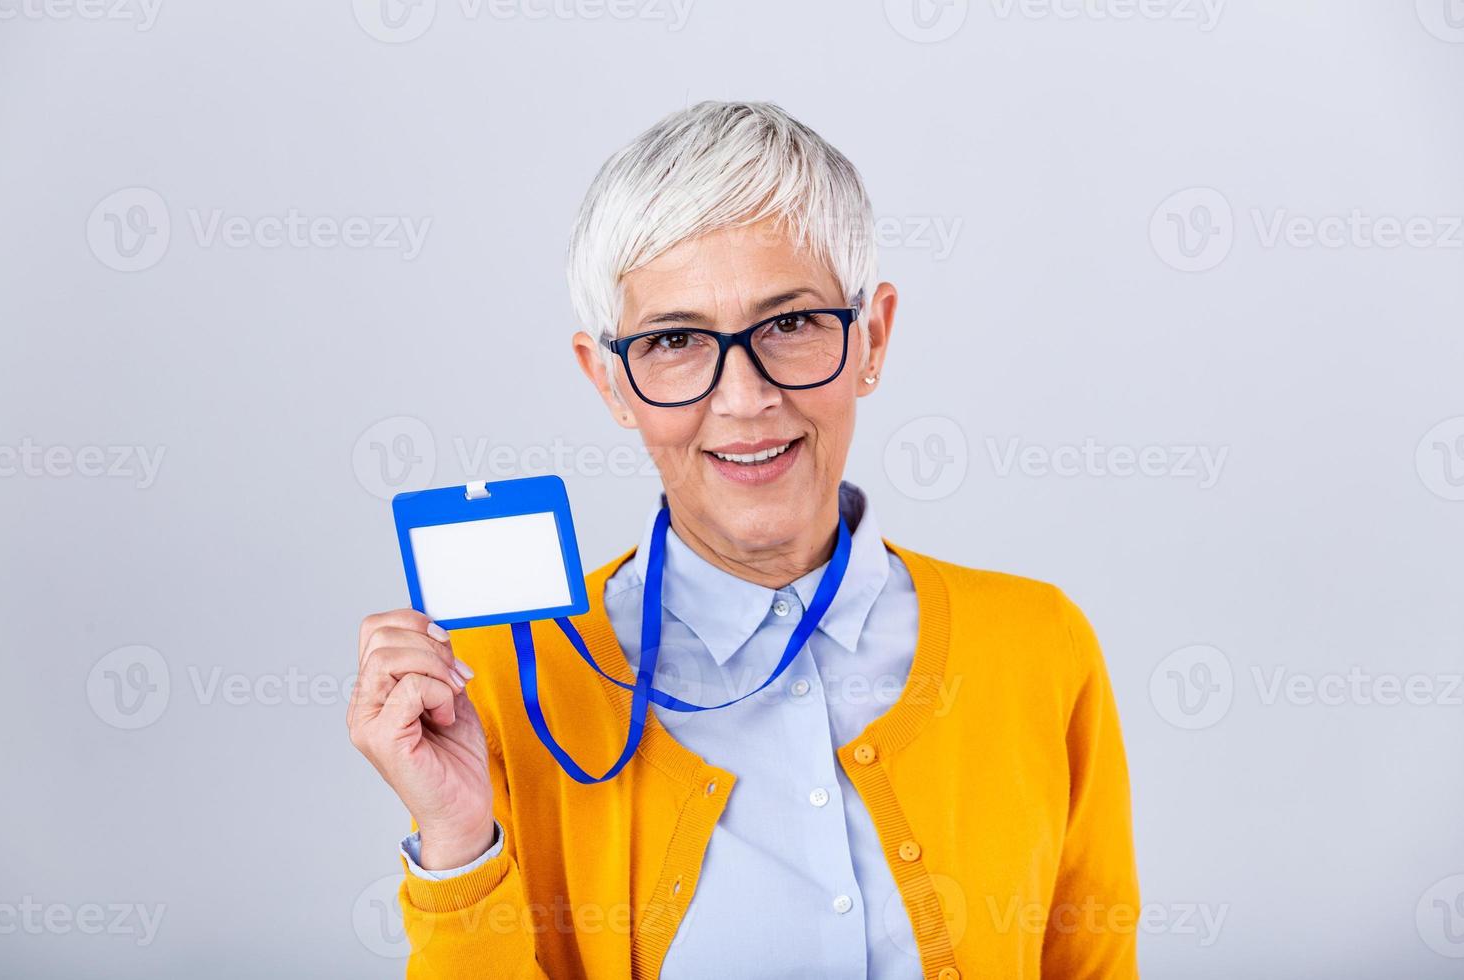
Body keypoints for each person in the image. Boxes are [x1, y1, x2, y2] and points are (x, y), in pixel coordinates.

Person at [347, 100, 1140, 979]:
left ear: (872, 336)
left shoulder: (1037, 642)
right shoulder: (507, 678)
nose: (743, 397)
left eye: (791, 324)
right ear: (611, 383)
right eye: (676, 340)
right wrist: (460, 843)